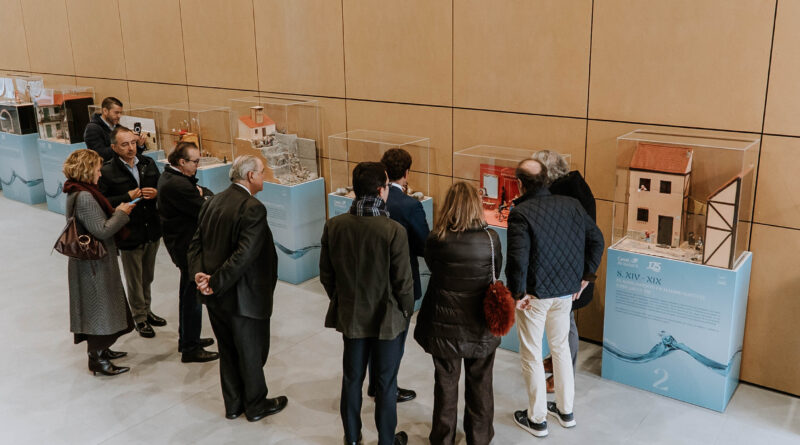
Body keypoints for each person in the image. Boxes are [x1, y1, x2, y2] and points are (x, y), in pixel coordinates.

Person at [506, 159, 604, 438]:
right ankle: (565, 411)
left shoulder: (520, 213)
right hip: (565, 293)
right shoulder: (571, 205)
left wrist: (517, 293)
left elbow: (517, 259)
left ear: (520, 184)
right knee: (560, 349)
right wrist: (586, 276)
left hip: (534, 296)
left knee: (532, 354)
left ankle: (537, 419)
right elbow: (597, 239)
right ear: (546, 179)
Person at [188, 155, 287, 422]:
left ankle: (233, 404)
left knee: (228, 350)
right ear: (251, 176)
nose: (264, 176)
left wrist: (200, 276)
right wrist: (215, 282)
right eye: (262, 172)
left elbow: (196, 244)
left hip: (215, 297)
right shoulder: (252, 208)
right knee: (252, 352)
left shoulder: (213, 201)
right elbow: (244, 255)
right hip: (243, 296)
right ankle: (255, 405)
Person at [320, 162, 413, 445]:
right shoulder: (394, 230)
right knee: (385, 383)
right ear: (381, 190)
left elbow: (326, 275)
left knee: (352, 379)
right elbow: (403, 282)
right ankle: (386, 440)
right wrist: (406, 310)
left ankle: (351, 438)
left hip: (352, 315)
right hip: (387, 319)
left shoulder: (334, 225)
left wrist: (343, 300)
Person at [414, 181, 502, 445]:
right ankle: (479, 438)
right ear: (476, 205)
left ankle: (443, 438)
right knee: (481, 384)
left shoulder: (437, 238)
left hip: (443, 324)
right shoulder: (491, 239)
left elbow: (433, 267)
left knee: (445, 384)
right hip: (480, 324)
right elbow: (497, 270)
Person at [62, 149, 136, 376]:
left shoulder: (78, 191)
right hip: (94, 265)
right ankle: (97, 358)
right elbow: (102, 230)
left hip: (92, 262)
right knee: (99, 306)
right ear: (86, 170)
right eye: (97, 169)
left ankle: (103, 350)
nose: (100, 174)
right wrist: (122, 213)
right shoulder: (85, 197)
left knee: (103, 304)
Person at [533, 150, 597, 394]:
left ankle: (564, 375)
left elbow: (590, 238)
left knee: (565, 324)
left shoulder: (565, 195)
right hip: (572, 269)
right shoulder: (572, 187)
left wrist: (585, 275)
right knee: (561, 321)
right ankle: (557, 362)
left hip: (572, 273)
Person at [374, 147, 430, 403]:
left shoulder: (373, 198)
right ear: (407, 172)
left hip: (373, 278)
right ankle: (388, 388)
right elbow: (424, 245)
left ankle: (376, 384)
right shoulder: (411, 205)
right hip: (402, 281)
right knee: (396, 340)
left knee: (374, 337)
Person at [98, 126, 165, 338]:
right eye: (125, 144)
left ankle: (147, 310)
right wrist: (126, 197)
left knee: (147, 276)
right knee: (134, 279)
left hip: (151, 229)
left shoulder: (148, 163)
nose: (131, 148)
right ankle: (140, 318)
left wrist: (156, 193)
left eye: (133, 143)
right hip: (129, 233)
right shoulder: (107, 171)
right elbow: (103, 203)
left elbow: (162, 186)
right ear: (114, 147)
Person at [157, 141, 218, 363]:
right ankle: (190, 347)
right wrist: (203, 197)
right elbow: (206, 207)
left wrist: (203, 195)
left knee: (189, 293)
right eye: (195, 161)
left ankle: (188, 338)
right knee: (192, 296)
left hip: (182, 244)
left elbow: (205, 195)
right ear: (182, 162)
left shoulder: (172, 177)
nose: (197, 166)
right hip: (185, 247)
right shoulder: (178, 184)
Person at [84, 97, 146, 162]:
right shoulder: (92, 129)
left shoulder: (118, 127)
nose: (119, 116)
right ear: (105, 111)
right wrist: (123, 143)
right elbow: (99, 155)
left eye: (120, 113)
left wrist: (139, 144)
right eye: (116, 113)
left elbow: (131, 156)